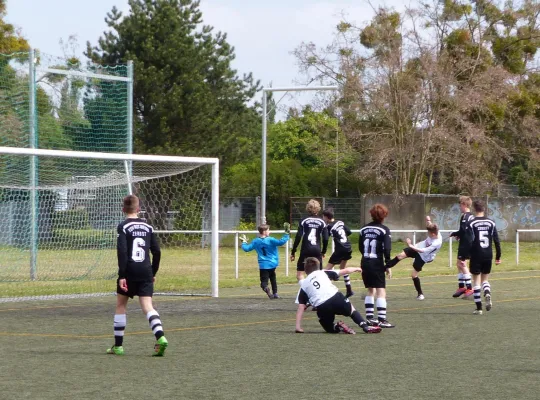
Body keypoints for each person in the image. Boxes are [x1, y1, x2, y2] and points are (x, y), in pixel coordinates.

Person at [107, 194, 168, 356]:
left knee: (121, 305)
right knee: (148, 306)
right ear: (138, 209)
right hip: (146, 270)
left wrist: (122, 276)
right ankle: (160, 337)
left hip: (130, 271)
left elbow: (122, 252)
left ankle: (118, 346)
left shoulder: (123, 227)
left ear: (123, 209)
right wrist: (152, 272)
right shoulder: (148, 227)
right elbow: (157, 251)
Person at [295, 257, 382, 334]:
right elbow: (345, 271)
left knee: (328, 328)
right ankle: (364, 326)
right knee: (352, 311)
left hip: (322, 306)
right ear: (318, 267)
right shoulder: (323, 272)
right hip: (336, 298)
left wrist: (298, 327)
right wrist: (357, 268)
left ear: (305, 271)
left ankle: (337, 327)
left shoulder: (304, 285)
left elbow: (301, 307)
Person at [385, 216, 442, 300]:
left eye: (429, 233)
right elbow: (430, 225)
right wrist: (428, 220)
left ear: (433, 234)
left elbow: (422, 251)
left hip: (423, 257)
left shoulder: (437, 243)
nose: (428, 234)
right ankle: (385, 267)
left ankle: (420, 294)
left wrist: (410, 245)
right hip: (418, 248)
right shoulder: (435, 231)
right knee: (399, 256)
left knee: (413, 275)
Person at [359, 203, 394, 328]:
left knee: (370, 289)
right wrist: (388, 264)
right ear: (384, 216)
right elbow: (387, 249)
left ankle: (369, 318)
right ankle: (382, 319)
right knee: (381, 290)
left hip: (365, 262)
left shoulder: (363, 229)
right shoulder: (384, 230)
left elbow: (360, 247)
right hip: (376, 262)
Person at [466, 200, 501, 315]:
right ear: (484, 209)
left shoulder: (472, 223)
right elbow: (496, 240)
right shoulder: (491, 222)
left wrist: (466, 255)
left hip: (476, 255)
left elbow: (469, 241)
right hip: (488, 254)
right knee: (485, 280)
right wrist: (498, 256)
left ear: (474, 209)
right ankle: (487, 292)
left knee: (476, 282)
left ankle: (479, 308)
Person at [240, 223, 290, 299]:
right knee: (273, 277)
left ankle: (266, 288)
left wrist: (243, 242)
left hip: (263, 265)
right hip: (272, 264)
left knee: (263, 282)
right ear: (264, 232)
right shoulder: (271, 239)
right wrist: (286, 234)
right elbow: (281, 242)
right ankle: (275, 293)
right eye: (268, 230)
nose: (269, 232)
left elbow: (247, 249)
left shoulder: (256, 241)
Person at [290, 199, 329, 281]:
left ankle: (305, 290)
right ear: (319, 209)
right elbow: (325, 238)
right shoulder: (322, 222)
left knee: (300, 274)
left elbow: (298, 236)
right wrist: (323, 251)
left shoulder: (304, 221)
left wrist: (293, 251)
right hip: (317, 250)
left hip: (305, 250)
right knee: (318, 274)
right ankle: (317, 292)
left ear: (307, 208)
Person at [322, 208, 354, 298]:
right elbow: (349, 232)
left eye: (323, 217)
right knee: (343, 268)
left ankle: (323, 294)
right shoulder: (340, 222)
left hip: (340, 249)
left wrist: (323, 251)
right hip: (348, 247)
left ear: (326, 217)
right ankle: (349, 290)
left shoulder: (328, 227)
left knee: (326, 271)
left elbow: (325, 238)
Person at [449, 196, 475, 298]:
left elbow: (463, 230)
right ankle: (461, 287)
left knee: (462, 265)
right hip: (465, 243)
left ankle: (469, 288)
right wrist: (459, 236)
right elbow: (467, 232)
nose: (459, 206)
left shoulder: (466, 217)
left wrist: (454, 233)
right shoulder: (468, 216)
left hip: (466, 245)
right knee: (459, 264)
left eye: (460, 204)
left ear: (464, 204)